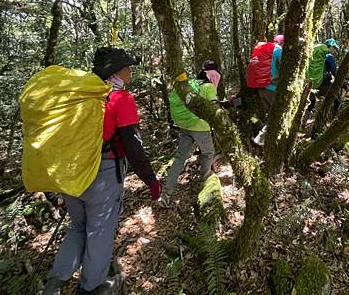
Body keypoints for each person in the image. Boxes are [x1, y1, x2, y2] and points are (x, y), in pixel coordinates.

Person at [43, 47, 161, 295]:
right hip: (103, 174)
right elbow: (133, 146)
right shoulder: (121, 99)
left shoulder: (79, 96)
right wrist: (151, 180)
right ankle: (91, 288)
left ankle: (55, 283)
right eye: (127, 67)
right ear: (116, 71)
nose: (130, 71)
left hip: (71, 172)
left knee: (77, 227)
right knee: (99, 230)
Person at [159, 60, 221, 207]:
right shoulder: (208, 86)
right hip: (200, 127)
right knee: (208, 153)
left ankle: (166, 194)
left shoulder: (190, 84)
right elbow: (214, 108)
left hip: (184, 125)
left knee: (180, 158)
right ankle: (205, 183)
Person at [253, 34, 284, 145]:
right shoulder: (279, 51)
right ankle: (261, 138)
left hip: (261, 87)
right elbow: (283, 68)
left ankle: (266, 141)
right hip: (273, 87)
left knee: (268, 114)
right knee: (276, 115)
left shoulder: (263, 49)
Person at [306, 38, 341, 118]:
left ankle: (302, 123)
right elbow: (334, 71)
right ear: (330, 46)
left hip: (310, 83)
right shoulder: (328, 56)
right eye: (334, 48)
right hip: (322, 84)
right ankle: (332, 122)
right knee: (337, 101)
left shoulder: (315, 54)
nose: (335, 51)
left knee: (311, 103)